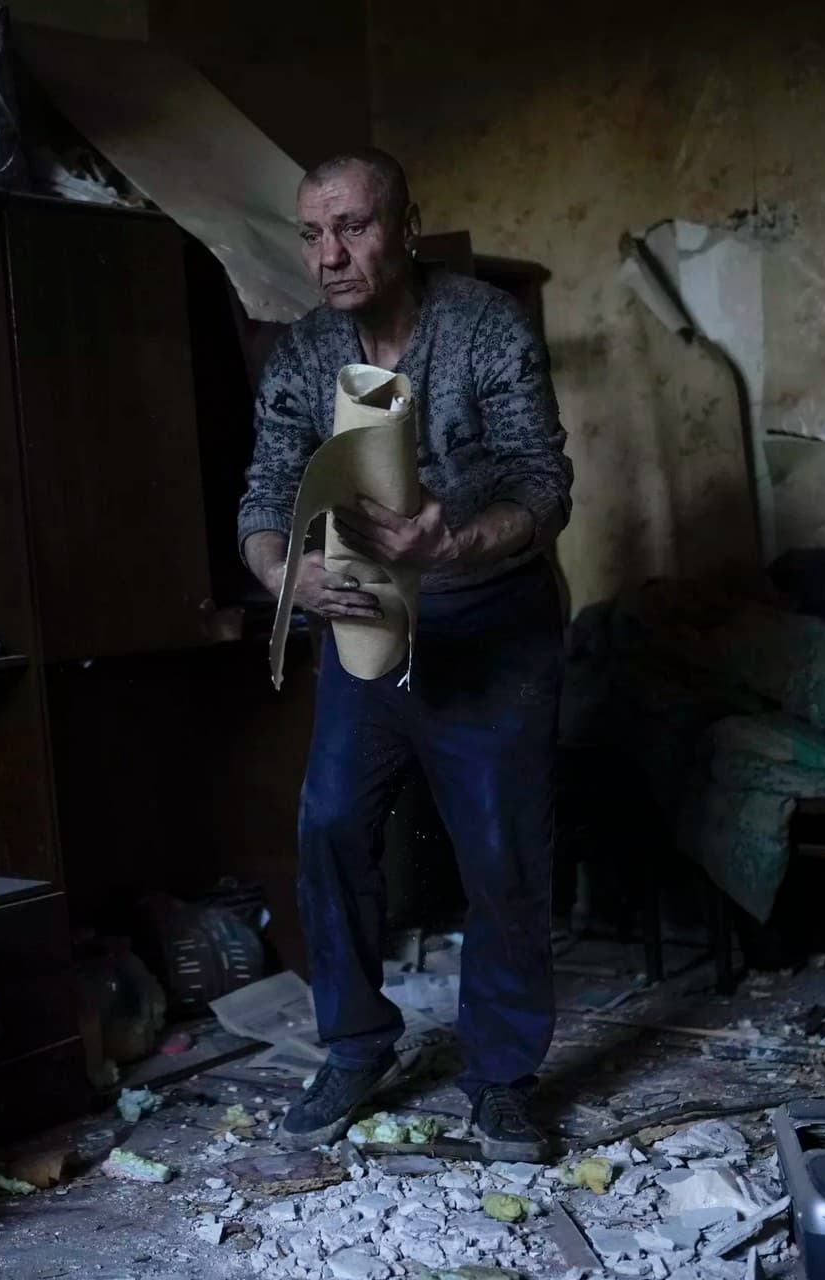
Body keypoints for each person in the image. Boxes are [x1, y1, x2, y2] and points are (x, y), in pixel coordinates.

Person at [238, 147, 572, 1160]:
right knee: (331, 824)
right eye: (311, 233)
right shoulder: (302, 353)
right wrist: (282, 576)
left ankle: (504, 1074)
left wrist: (456, 542)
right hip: (361, 624)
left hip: (491, 618)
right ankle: (354, 1043)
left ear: (406, 226)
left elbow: (544, 483)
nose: (330, 253)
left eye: (353, 226)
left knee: (502, 852)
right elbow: (264, 494)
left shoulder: (483, 327)